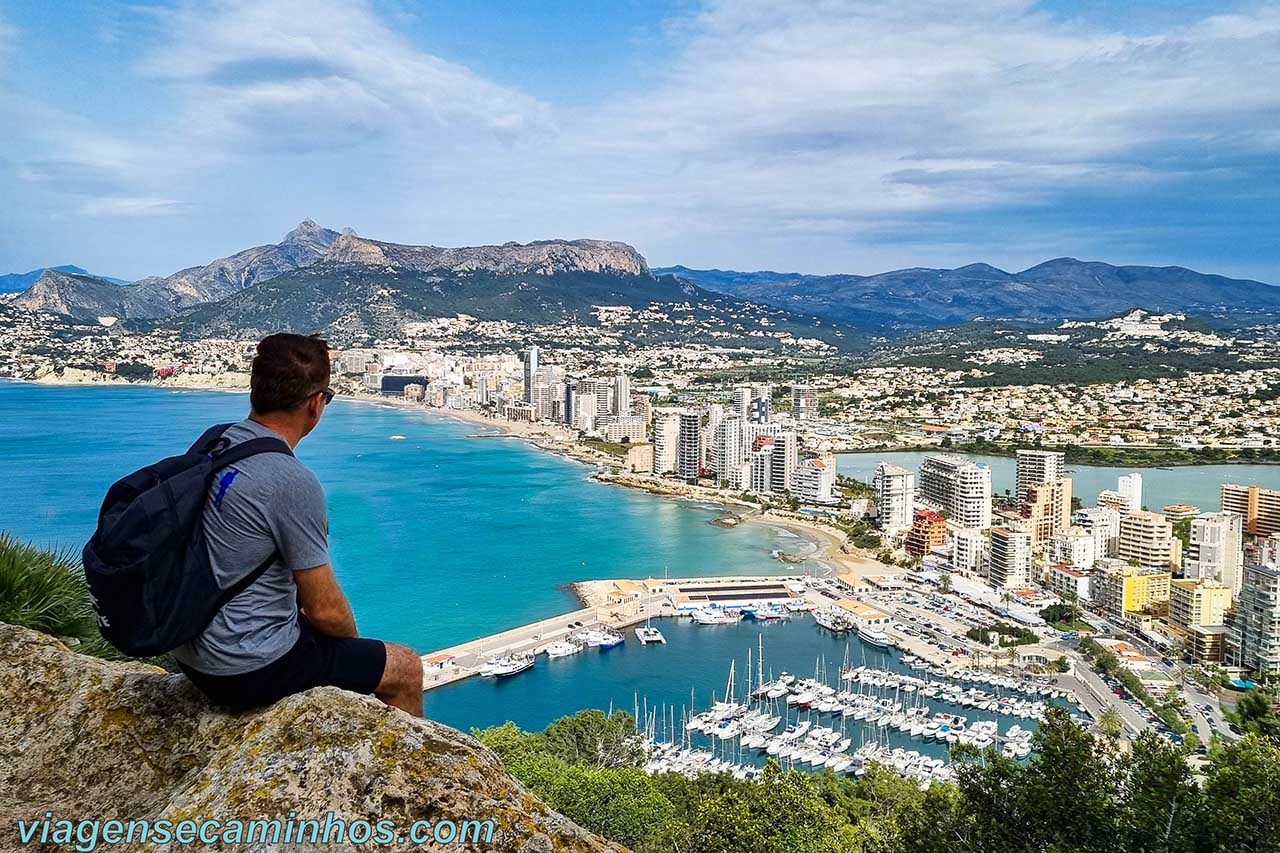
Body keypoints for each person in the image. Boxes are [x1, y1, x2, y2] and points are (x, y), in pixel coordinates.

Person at [172, 333, 423, 715]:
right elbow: (325, 611)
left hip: (191, 651)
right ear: (316, 404)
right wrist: (351, 655)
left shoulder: (216, 442)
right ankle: (410, 772)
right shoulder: (290, 481)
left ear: (256, 390)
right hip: (246, 667)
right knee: (406, 668)